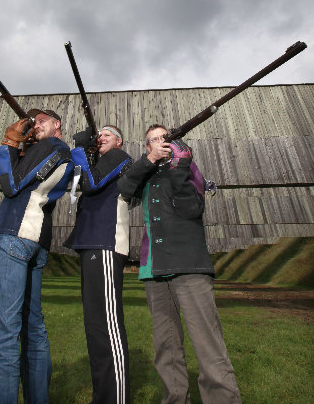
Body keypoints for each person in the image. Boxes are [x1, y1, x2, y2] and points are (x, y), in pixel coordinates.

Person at [118, 124, 242, 404]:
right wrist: (148, 162)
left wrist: (180, 167)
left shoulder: (188, 168)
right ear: (147, 147)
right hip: (154, 269)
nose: (161, 142)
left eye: (166, 137)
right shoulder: (145, 172)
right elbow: (124, 189)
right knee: (166, 348)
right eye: (154, 140)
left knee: (208, 346)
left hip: (189, 267)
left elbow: (191, 209)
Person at [0, 109, 74, 404]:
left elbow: (12, 185)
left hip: (15, 235)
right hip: (37, 240)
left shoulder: (52, 147)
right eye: (31, 123)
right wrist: (22, 148)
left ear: (57, 124)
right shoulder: (60, 152)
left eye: (41, 121)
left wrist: (9, 143)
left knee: (2, 334)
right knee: (32, 328)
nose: (35, 126)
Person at [64, 125, 133, 404]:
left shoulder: (118, 157)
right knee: (94, 327)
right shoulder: (100, 162)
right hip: (91, 242)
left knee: (107, 326)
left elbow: (92, 183)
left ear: (119, 141)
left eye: (107, 134)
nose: (100, 137)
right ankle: (102, 396)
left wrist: (81, 149)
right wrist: (84, 155)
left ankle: (116, 398)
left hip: (105, 241)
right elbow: (83, 179)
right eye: (99, 134)